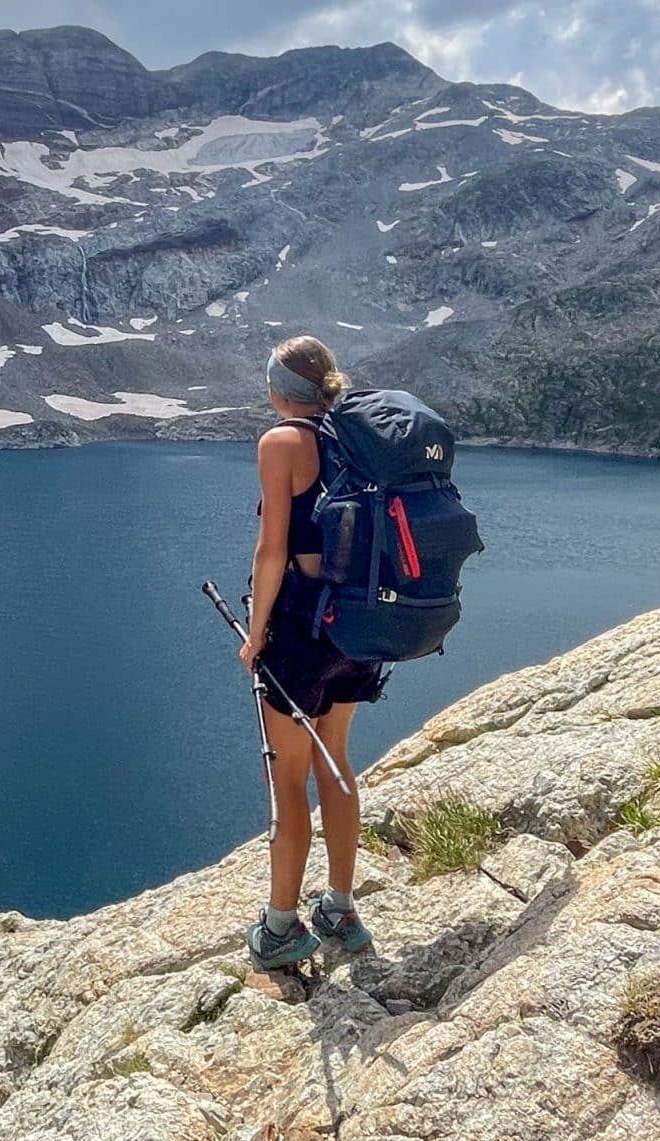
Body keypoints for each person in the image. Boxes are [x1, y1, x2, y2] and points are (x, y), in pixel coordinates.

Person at [238, 335, 384, 969]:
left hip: (303, 629)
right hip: (361, 624)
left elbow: (273, 551)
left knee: (289, 779)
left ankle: (280, 928)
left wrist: (254, 632)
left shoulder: (282, 442)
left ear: (281, 390)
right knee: (337, 760)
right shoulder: (356, 436)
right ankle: (342, 909)